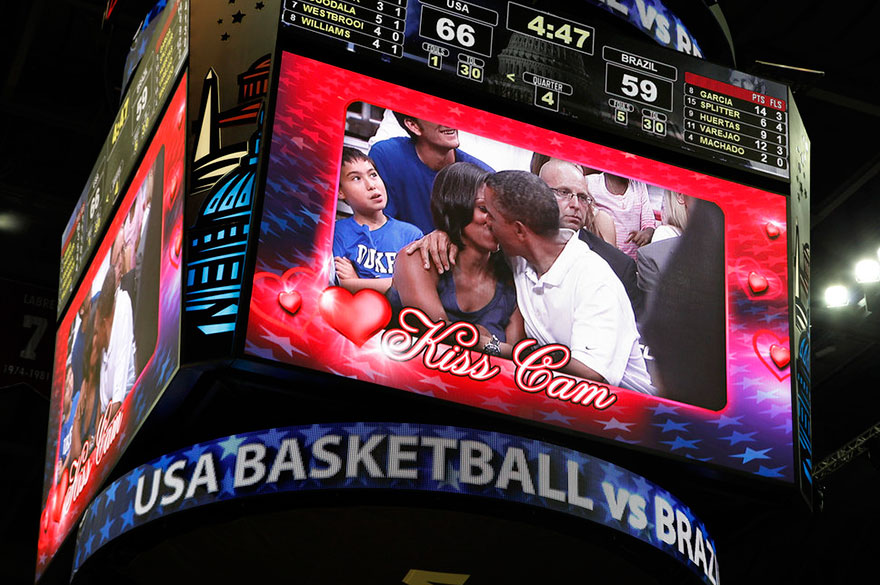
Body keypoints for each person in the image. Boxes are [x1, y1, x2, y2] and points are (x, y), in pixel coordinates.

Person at [482, 171, 654, 392]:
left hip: (625, 407)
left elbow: (590, 372)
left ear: (518, 230)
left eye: (491, 216)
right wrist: (442, 237)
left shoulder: (593, 278)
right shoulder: (521, 257)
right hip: (557, 392)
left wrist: (498, 349)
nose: (486, 222)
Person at [390, 162, 523, 354]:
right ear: (455, 207)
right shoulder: (418, 258)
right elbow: (437, 334)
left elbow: (516, 358)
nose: (498, 219)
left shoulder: (512, 277)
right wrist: (481, 336)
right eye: (484, 209)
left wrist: (476, 339)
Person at [536, 158, 644, 322]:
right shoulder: (516, 248)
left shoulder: (618, 266)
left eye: (582, 197)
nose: (575, 205)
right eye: (564, 192)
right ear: (538, 194)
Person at [368, 112, 493, 234]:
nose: (451, 118)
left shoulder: (485, 179)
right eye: (438, 112)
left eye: (452, 110)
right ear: (413, 125)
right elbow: (379, 227)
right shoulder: (387, 156)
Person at [333, 147, 423, 293]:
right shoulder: (337, 233)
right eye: (356, 178)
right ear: (340, 192)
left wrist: (355, 282)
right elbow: (339, 286)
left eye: (373, 175)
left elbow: (416, 287)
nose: (371, 185)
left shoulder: (410, 235)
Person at [530, 152, 616, 245]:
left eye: (576, 160)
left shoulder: (600, 221)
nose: (574, 165)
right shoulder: (523, 218)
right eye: (563, 192)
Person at [95, 269, 137, 421]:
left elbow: (122, 359)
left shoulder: (123, 301)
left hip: (129, 403)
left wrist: (115, 406)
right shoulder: (103, 354)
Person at [587, 172, 656, 259]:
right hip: (603, 258)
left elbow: (649, 222)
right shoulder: (591, 183)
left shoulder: (639, 184)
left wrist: (647, 233)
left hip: (632, 263)